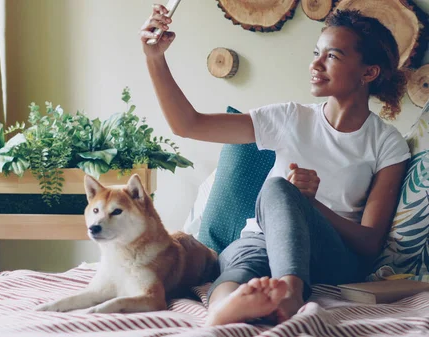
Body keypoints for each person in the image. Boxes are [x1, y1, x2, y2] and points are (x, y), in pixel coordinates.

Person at [139, 6, 411, 325]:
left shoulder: (386, 142)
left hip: (328, 255)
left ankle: (289, 294)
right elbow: (188, 124)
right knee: (240, 267)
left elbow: (368, 244)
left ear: (369, 73)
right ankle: (223, 309)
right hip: (261, 241)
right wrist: (154, 58)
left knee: (279, 187)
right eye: (316, 53)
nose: (315, 64)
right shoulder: (290, 118)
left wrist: (310, 204)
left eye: (332, 56)